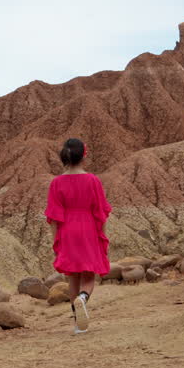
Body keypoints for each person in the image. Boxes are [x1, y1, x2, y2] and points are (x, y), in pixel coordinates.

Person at [44, 137, 112, 335]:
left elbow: (54, 217)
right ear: (85, 154)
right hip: (88, 229)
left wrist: (55, 242)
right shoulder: (93, 180)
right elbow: (101, 212)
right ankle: (83, 297)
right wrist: (102, 237)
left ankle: (78, 324)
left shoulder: (56, 183)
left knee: (72, 278)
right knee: (88, 277)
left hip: (67, 231)